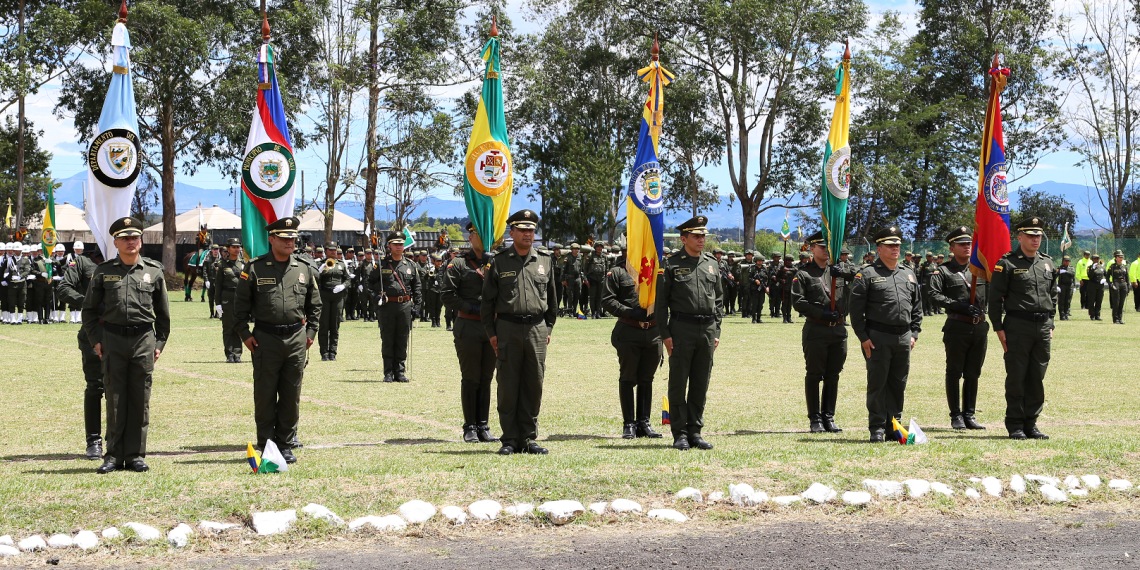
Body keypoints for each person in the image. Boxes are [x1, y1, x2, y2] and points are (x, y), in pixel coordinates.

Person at [82, 217, 171, 473]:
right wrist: (96, 340)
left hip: (143, 340)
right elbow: (89, 310)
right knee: (115, 398)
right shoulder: (103, 271)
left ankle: (135, 456)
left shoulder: (154, 271)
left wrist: (159, 343)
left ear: (140, 241)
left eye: (134, 237)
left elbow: (163, 314)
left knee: (140, 398)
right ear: (116, 243)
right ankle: (112, 455)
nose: (130, 242)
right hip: (113, 339)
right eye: (125, 238)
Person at [232, 217, 321, 464]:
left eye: (292, 238)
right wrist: (245, 335)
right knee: (265, 394)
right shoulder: (254, 268)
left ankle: (285, 444)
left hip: (295, 338)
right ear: (271, 239)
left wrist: (311, 333)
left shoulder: (304, 268)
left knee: (291, 394)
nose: (289, 242)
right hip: (265, 339)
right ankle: (267, 444)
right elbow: (239, 307)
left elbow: (315, 305)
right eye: (284, 238)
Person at [481, 209, 557, 456]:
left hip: (536, 329)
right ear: (511, 232)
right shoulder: (499, 261)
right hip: (507, 328)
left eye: (531, 230)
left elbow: (553, 300)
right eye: (522, 230)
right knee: (508, 384)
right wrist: (492, 333)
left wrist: (548, 328)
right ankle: (510, 439)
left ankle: (529, 438)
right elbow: (487, 303)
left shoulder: (545, 260)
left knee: (534, 383)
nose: (528, 234)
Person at [849, 226, 922, 443]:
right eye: (890, 245)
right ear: (879, 249)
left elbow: (917, 307)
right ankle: (877, 428)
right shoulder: (867, 274)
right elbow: (855, 310)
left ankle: (894, 427)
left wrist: (914, 333)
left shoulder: (908, 273)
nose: (895, 249)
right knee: (878, 383)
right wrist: (863, 337)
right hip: (877, 337)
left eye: (897, 245)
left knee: (898, 383)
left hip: (903, 338)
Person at [656, 216, 723, 451]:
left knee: (700, 383)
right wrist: (665, 335)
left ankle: (695, 431)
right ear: (684, 239)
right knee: (678, 383)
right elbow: (661, 303)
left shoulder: (712, 263)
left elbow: (719, 300)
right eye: (696, 236)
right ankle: (680, 433)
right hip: (681, 329)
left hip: (707, 330)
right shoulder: (671, 264)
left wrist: (717, 331)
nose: (701, 239)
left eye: (703, 235)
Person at [988, 217, 1057, 440]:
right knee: (1017, 376)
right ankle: (1015, 424)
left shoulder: (1047, 262)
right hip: (1017, 326)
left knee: (1037, 376)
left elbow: (1053, 295)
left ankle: (1031, 423)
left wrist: (1051, 322)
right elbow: (995, 298)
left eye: (1038, 236)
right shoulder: (1007, 263)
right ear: (1019, 237)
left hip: (1042, 327)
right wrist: (998, 328)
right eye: (1030, 235)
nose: (1035, 239)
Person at [441, 222, 498, 443]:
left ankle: (483, 426)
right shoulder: (458, 263)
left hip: (492, 327)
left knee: (486, 378)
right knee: (471, 377)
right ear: (470, 237)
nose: (481, 238)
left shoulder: (498, 261)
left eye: (485, 234)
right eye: (477, 234)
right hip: (469, 325)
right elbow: (447, 294)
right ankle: (470, 427)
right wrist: (472, 308)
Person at [790, 231, 852, 433]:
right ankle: (815, 418)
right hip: (816, 329)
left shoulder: (840, 269)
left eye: (829, 247)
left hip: (839, 330)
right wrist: (821, 313)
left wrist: (843, 272)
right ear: (812, 249)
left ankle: (829, 416)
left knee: (833, 375)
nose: (826, 251)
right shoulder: (804, 273)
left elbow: (860, 274)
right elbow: (798, 302)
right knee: (815, 374)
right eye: (822, 247)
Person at [928, 227, 988, 430]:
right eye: (962, 244)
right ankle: (956, 415)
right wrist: (957, 305)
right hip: (957, 326)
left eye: (969, 243)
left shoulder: (980, 269)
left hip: (979, 327)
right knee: (954, 372)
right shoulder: (943, 271)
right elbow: (933, 295)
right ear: (952, 248)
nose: (967, 247)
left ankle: (969, 414)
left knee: (973, 372)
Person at [601, 244, 663, 439]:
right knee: (628, 378)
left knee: (647, 378)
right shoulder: (617, 272)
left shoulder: (656, 270)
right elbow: (607, 300)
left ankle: (644, 423)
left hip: (654, 332)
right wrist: (629, 312)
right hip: (629, 331)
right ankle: (629, 424)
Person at [57, 238, 104, 459]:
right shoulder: (85, 261)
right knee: (95, 386)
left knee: (122, 389)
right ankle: (94, 441)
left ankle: (118, 440)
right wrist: (89, 302)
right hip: (94, 332)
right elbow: (64, 288)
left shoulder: (130, 260)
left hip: (125, 334)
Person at [370, 228, 422, 382]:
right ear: (390, 246)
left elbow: (417, 287)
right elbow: (369, 283)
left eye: (401, 244)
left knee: (402, 339)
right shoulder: (381, 264)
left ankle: (400, 371)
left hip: (405, 306)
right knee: (388, 339)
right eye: (396, 244)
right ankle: (388, 372)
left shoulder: (410, 264)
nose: (399, 247)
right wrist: (376, 296)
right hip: (387, 306)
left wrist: (417, 307)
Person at [213, 237, 246, 363]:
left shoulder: (244, 264)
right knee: (228, 327)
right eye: (234, 247)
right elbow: (218, 285)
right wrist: (218, 303)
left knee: (239, 326)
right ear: (228, 248)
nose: (236, 249)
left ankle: (237, 354)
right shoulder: (222, 264)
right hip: (227, 299)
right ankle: (229, 354)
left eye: (238, 247)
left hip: (240, 299)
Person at [317, 243, 349, 361]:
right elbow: (314, 278)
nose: (333, 252)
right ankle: (324, 352)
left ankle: (333, 352)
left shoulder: (341, 264)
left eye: (335, 250)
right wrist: (320, 270)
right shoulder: (320, 263)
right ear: (326, 251)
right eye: (330, 250)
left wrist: (343, 286)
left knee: (335, 324)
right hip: (324, 295)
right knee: (324, 324)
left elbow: (348, 278)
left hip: (337, 296)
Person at [586, 242, 608, 319]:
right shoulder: (590, 256)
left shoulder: (604, 256)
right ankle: (593, 313)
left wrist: (607, 278)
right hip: (592, 278)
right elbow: (585, 268)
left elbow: (607, 268)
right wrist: (585, 279)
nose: (599, 248)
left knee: (600, 296)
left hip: (601, 279)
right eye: (598, 247)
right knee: (592, 296)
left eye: (600, 247)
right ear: (595, 248)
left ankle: (598, 312)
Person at [561, 244, 583, 318]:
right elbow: (563, 269)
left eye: (577, 249)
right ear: (571, 249)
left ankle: (574, 310)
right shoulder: (568, 258)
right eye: (574, 249)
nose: (576, 250)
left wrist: (583, 278)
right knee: (570, 296)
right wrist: (563, 279)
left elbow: (582, 268)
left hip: (578, 278)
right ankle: (570, 311)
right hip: (570, 278)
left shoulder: (580, 257)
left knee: (577, 295)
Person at [1108, 250, 1129, 324]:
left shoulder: (1124, 267)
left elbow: (1127, 278)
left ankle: (1120, 318)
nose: (1121, 258)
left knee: (1121, 302)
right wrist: (1110, 284)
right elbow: (1107, 276)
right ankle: (1115, 319)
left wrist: (1128, 287)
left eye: (1122, 257)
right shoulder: (1112, 267)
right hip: (1116, 283)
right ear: (1116, 258)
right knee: (1116, 302)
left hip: (1123, 284)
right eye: (1119, 257)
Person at [424, 253, 444, 327]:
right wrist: (428, 273)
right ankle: (433, 321)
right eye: (437, 261)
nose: (439, 262)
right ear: (434, 262)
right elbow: (425, 278)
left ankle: (438, 321)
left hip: (440, 289)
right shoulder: (432, 268)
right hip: (432, 289)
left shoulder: (442, 269)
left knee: (439, 306)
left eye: (440, 261)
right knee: (432, 306)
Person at [1086, 254, 1105, 320]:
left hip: (1100, 286)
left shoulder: (1101, 267)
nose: (1096, 260)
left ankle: (1097, 315)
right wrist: (1093, 269)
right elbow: (1090, 276)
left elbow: (1106, 274)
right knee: (1091, 301)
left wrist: (1105, 279)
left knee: (1099, 301)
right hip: (1092, 285)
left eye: (1097, 258)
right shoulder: (1090, 267)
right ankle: (1092, 315)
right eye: (1094, 259)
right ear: (1092, 260)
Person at [1057, 255, 1074, 320]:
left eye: (1068, 261)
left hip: (1069, 286)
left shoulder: (1071, 268)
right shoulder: (1060, 267)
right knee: (1062, 301)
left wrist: (1066, 272)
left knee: (1068, 300)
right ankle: (1062, 315)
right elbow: (1055, 274)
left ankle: (1066, 314)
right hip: (1062, 285)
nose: (1067, 262)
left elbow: (1073, 274)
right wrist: (1059, 271)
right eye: (1066, 261)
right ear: (1063, 261)